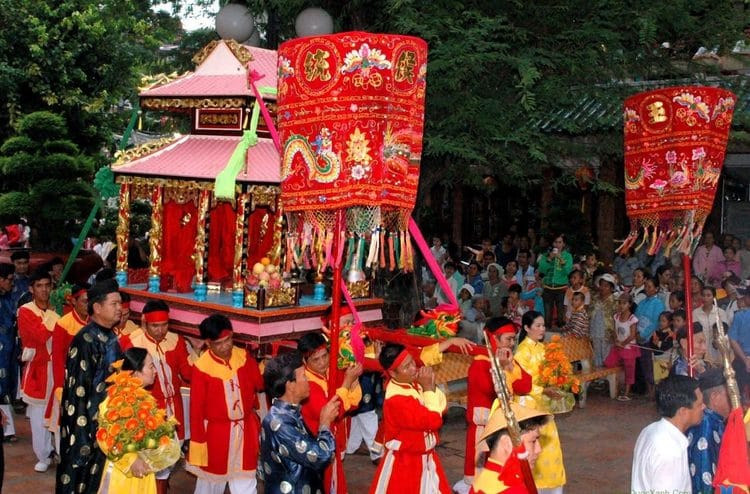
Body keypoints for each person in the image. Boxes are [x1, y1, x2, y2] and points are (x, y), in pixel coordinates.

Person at [57, 279, 124, 494]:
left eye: (120, 303)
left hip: (106, 423)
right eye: (114, 304)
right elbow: (76, 394)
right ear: (97, 307)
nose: (120, 309)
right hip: (85, 426)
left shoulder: (111, 336)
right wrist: (82, 437)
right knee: (78, 482)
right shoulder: (85, 340)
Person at [120, 300, 193, 494]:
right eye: (155, 326)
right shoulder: (131, 342)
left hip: (175, 409)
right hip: (149, 413)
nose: (161, 330)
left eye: (165, 325)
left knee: (168, 458)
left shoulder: (176, 340)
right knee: (151, 461)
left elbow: (187, 373)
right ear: (144, 322)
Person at [186, 314, 264, 494]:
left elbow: (259, 384)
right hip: (215, 435)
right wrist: (198, 445)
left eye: (228, 339)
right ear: (207, 342)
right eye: (219, 343)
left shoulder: (243, 357)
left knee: (246, 483)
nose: (226, 346)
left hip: (245, 432)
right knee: (210, 484)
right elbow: (196, 411)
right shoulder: (202, 367)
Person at [454, 317, 532, 494]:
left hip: (502, 425)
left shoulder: (507, 358)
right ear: (493, 338)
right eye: (508, 339)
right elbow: (494, 390)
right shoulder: (481, 360)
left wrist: (510, 365)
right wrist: (505, 368)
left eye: (514, 339)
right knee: (480, 476)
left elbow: (526, 385)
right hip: (484, 426)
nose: (512, 343)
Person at [369, 343, 451, 494]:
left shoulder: (411, 383)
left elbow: (443, 407)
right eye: (407, 367)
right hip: (406, 464)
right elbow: (434, 420)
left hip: (426, 458)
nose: (414, 368)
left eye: (412, 362)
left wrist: (429, 388)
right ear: (393, 373)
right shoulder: (397, 400)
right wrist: (428, 388)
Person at [96, 347, 180, 494]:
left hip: (142, 473)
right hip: (122, 476)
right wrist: (131, 460)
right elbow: (105, 438)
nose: (155, 371)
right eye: (151, 366)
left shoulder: (145, 399)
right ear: (135, 372)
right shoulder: (116, 400)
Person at [260, 351, 339, 494]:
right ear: (290, 385)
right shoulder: (281, 424)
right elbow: (321, 457)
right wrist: (325, 424)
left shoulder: (285, 413)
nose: (308, 379)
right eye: (303, 376)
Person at [297, 331, 362, 494]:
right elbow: (332, 413)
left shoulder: (331, 371)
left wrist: (353, 382)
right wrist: (347, 382)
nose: (322, 362)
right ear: (305, 360)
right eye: (315, 359)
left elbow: (352, 405)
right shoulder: (306, 384)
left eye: (325, 356)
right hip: (314, 444)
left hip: (331, 439)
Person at [514, 311, 566, 492]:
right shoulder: (522, 351)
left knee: (550, 447)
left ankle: (552, 488)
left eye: (543, 325)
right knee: (537, 448)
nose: (542, 329)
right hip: (530, 406)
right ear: (527, 328)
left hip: (543, 404)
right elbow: (519, 384)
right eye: (538, 326)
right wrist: (543, 390)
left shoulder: (542, 347)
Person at [631, 375, 705, 493]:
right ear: (683, 412)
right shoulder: (671, 452)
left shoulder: (649, 430)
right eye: (699, 404)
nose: (704, 407)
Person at [17, 268, 59, 471]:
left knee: (58, 411)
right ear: (31, 289)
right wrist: (53, 315)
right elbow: (41, 335)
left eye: (47, 285)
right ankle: (42, 454)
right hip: (39, 370)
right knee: (38, 414)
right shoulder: (25, 310)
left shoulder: (56, 309)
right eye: (39, 286)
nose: (44, 290)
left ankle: (57, 450)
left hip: (58, 368)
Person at [470, 403, 551, 494]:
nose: (538, 449)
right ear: (507, 444)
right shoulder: (513, 489)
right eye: (533, 441)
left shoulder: (482, 480)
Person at [48, 283, 89, 452]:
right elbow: (57, 358)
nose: (89, 305)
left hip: (89, 381)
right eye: (85, 301)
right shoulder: (64, 324)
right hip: (69, 380)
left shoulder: (95, 321)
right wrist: (59, 386)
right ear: (73, 301)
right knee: (64, 421)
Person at [686, 368, 731, 494]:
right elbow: (704, 482)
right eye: (731, 394)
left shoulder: (715, 421)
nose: (735, 399)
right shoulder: (705, 428)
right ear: (715, 398)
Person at [604, 294, 640, 401]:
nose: (621, 305)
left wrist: (623, 343)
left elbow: (632, 335)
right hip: (618, 346)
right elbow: (615, 330)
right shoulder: (616, 316)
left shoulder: (632, 318)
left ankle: (627, 392)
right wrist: (616, 340)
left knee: (630, 369)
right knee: (609, 363)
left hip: (628, 347)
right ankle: (617, 384)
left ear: (629, 305)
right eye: (619, 302)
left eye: (624, 303)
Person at [634, 276, 665, 397]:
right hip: (639, 337)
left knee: (651, 365)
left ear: (656, 288)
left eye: (649, 287)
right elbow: (636, 318)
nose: (647, 289)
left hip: (649, 338)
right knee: (643, 364)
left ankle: (654, 391)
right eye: (646, 286)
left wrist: (643, 335)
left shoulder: (658, 304)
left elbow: (655, 323)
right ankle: (648, 389)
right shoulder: (642, 302)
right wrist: (636, 333)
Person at [537, 234, 573, 329]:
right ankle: (547, 338)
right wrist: (549, 259)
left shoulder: (568, 256)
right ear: (552, 243)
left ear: (563, 244)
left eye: (560, 242)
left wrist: (560, 258)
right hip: (548, 289)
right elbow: (542, 270)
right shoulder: (545, 255)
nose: (557, 244)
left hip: (561, 289)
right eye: (555, 242)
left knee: (561, 316)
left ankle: (562, 338)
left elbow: (567, 271)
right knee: (548, 316)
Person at [0, 264, 16, 443]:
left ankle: (7, 429)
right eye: (9, 280)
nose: (12, 284)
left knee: (6, 387)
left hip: (8, 350)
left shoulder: (9, 297)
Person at [692, 286, 727, 365]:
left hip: (717, 351)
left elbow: (724, 332)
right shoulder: (695, 313)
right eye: (703, 295)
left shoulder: (721, 313)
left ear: (714, 297)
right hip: (700, 351)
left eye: (708, 295)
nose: (705, 298)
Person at [588, 273, 617, 367]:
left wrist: (614, 333)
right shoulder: (595, 299)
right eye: (601, 285)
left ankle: (606, 378)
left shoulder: (614, 301)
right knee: (596, 355)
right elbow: (589, 314)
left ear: (611, 288)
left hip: (607, 333)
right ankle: (598, 378)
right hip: (595, 332)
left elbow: (617, 319)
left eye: (606, 286)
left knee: (607, 356)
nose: (603, 288)